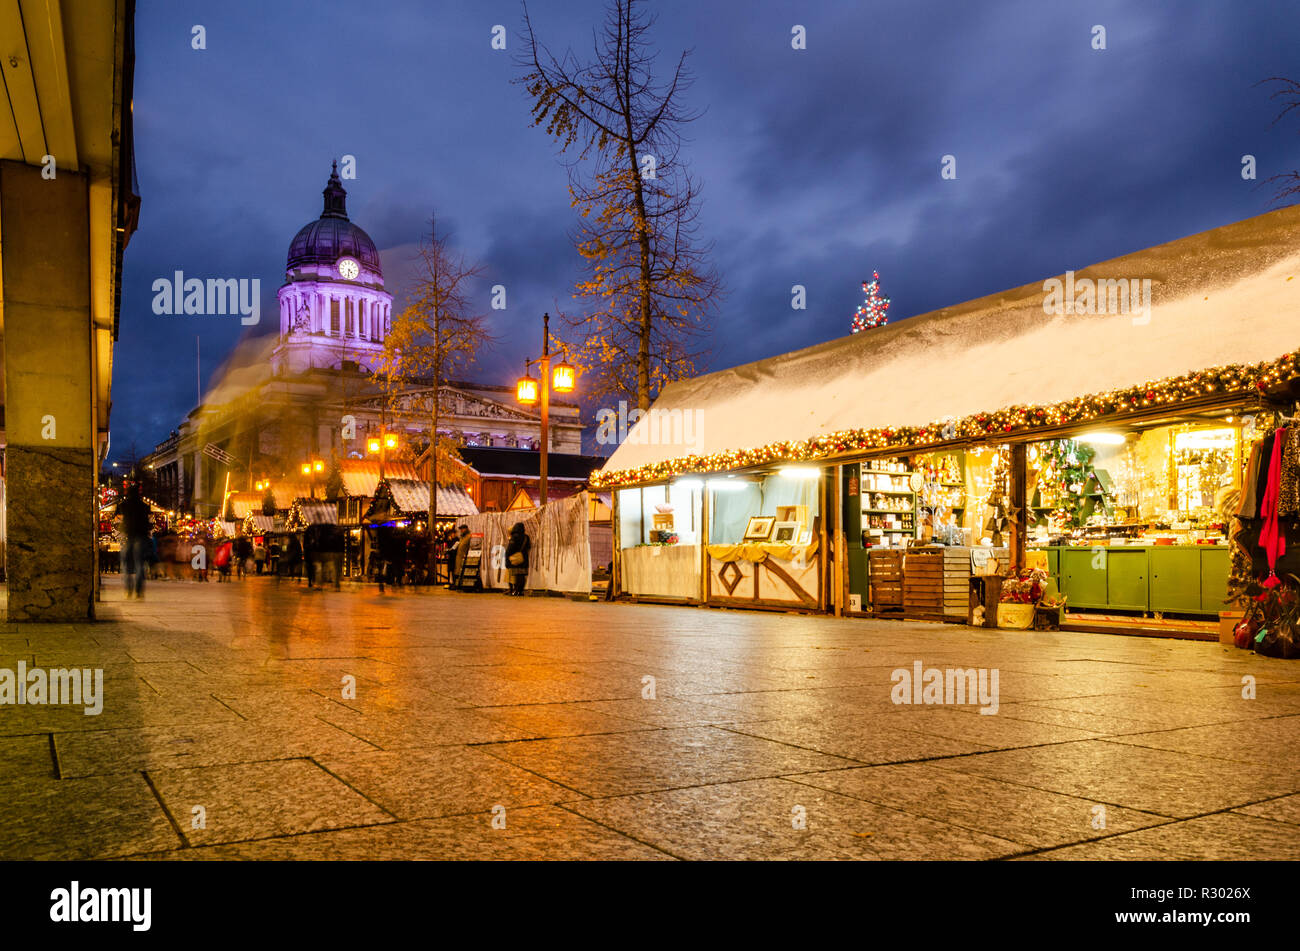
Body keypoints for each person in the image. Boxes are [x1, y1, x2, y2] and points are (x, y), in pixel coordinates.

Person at [115, 483, 152, 598]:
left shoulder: (123, 505)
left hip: (128, 536)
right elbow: (148, 523)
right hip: (141, 536)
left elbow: (120, 519)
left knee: (125, 563)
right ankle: (139, 590)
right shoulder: (145, 506)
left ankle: (128, 589)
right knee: (139, 564)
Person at [504, 522, 530, 596]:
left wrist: (507, 559)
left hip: (516, 559)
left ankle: (515, 591)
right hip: (523, 559)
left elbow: (510, 549)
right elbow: (528, 547)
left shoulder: (514, 537)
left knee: (516, 576)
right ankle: (520, 591)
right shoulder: (526, 537)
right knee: (522, 576)